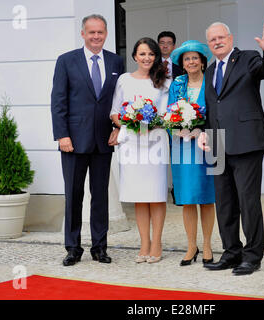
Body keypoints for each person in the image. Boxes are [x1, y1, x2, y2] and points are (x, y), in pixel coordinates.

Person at [198, 22, 264, 276]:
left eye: (221, 37)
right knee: (224, 203)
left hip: (246, 142)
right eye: (212, 39)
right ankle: (231, 252)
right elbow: (212, 106)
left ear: (231, 38)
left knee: (248, 202)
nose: (217, 42)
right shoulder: (210, 70)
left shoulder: (248, 59)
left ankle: (252, 256)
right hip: (217, 143)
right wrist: (203, 131)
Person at [51, 14, 124, 266]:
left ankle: (99, 247)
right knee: (74, 195)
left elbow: (119, 101)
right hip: (72, 141)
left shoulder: (116, 61)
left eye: (100, 32)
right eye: (91, 32)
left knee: (100, 196)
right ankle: (72, 248)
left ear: (106, 34)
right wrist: (62, 135)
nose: (96, 37)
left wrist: (119, 128)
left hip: (104, 141)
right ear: (83, 34)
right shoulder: (66, 61)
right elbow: (58, 101)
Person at [110, 37, 171, 263]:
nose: (146, 58)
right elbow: (115, 111)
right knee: (139, 197)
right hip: (131, 145)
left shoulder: (164, 82)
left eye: (151, 54)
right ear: (135, 56)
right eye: (142, 53)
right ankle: (144, 242)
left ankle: (157, 242)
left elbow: (166, 115)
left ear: (156, 57)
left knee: (155, 195)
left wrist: (148, 123)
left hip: (155, 142)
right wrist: (129, 122)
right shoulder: (124, 80)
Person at [167, 40, 216, 266]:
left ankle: (207, 245)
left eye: (195, 57)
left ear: (203, 61)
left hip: (209, 144)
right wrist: (178, 129)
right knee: (187, 198)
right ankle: (191, 246)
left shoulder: (213, 80)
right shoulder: (177, 84)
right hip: (183, 146)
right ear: (182, 63)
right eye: (187, 59)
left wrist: (202, 130)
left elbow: (219, 113)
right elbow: (169, 114)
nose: (191, 61)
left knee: (208, 197)